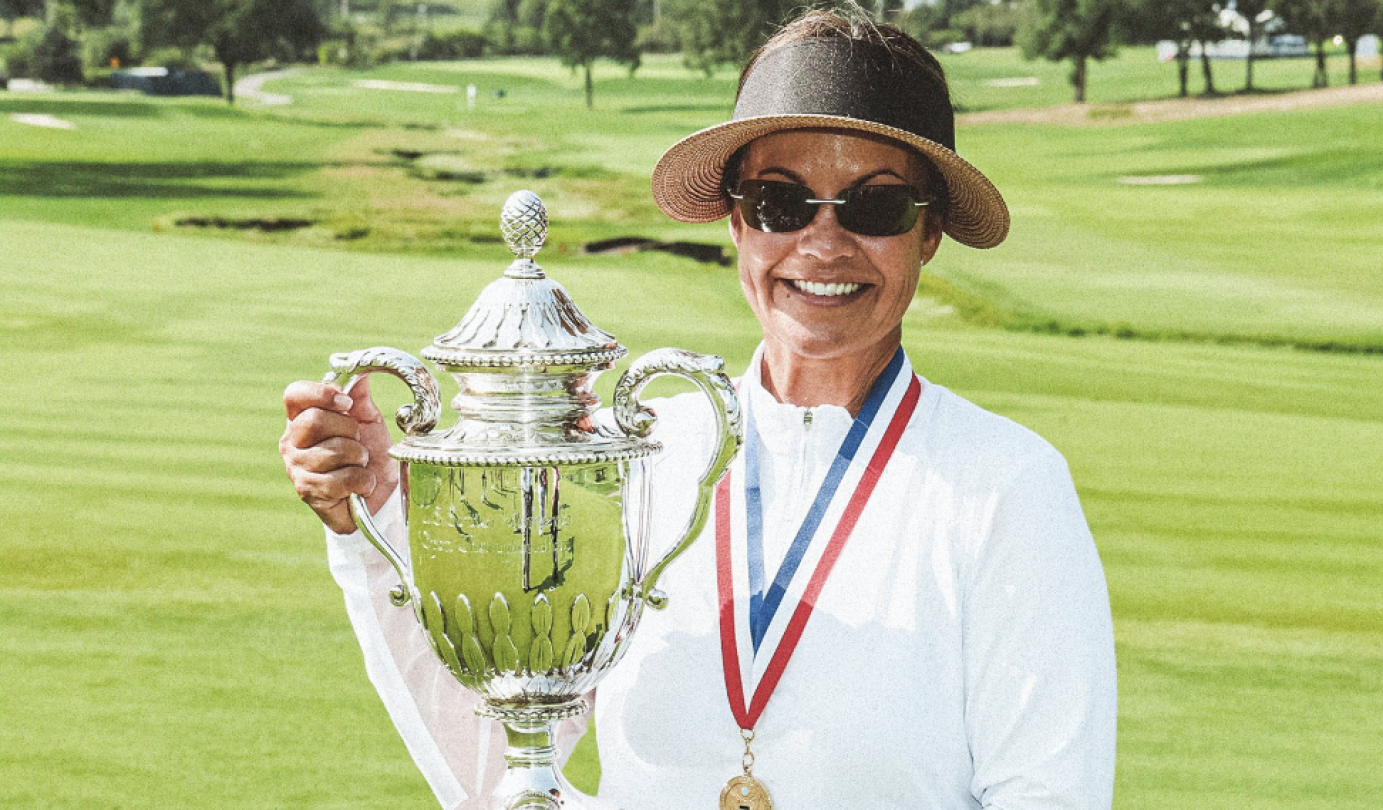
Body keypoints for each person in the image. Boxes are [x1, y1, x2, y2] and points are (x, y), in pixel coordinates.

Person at [281, 9, 1115, 810]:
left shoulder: (1006, 485)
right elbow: (497, 767)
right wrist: (377, 518)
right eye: (781, 203)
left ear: (928, 235)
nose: (822, 245)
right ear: (736, 221)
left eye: (875, 206)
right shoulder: (637, 456)